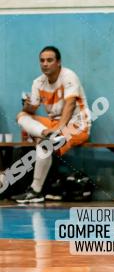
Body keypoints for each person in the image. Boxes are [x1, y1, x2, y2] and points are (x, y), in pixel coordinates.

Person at [13, 46, 90, 204]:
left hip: (77, 125)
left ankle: (35, 191)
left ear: (58, 62)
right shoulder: (38, 82)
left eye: (49, 60)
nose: (45, 64)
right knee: (21, 116)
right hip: (52, 126)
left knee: (45, 145)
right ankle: (45, 134)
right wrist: (27, 106)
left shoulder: (69, 76)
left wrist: (58, 129)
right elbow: (32, 109)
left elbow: (69, 106)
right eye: (42, 60)